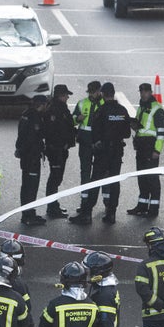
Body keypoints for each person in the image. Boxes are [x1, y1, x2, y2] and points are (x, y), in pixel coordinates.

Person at [70, 82, 132, 225]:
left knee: (95, 181)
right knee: (114, 182)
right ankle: (111, 214)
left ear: (103, 94)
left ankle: (86, 214)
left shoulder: (101, 111)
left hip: (103, 152)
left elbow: (95, 132)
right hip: (117, 152)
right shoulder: (122, 111)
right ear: (114, 93)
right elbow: (127, 133)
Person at [127, 82, 164, 218]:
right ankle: (142, 205)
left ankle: (153, 209)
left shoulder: (157, 109)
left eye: (145, 91)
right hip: (141, 146)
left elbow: (161, 133)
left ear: (150, 92)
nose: (143, 94)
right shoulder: (142, 107)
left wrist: (157, 150)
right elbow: (141, 126)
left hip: (151, 147)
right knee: (142, 178)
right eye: (141, 91)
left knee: (152, 179)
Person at [43, 84, 76, 220]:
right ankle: (52, 207)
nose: (67, 97)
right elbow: (55, 131)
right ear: (60, 96)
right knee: (55, 178)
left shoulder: (59, 108)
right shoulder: (54, 110)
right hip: (56, 149)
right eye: (65, 95)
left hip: (60, 149)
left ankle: (54, 204)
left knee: (57, 178)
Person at [14, 95, 48, 226]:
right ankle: (28, 215)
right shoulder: (35, 117)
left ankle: (28, 212)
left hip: (26, 156)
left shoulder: (25, 114)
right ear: (42, 104)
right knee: (31, 187)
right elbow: (34, 137)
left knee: (26, 185)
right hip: (32, 157)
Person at [74, 81, 102, 185]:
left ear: (99, 91)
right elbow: (72, 120)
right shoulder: (82, 103)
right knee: (85, 169)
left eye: (94, 92)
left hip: (99, 139)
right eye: (90, 92)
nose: (91, 94)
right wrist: (77, 118)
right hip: (85, 139)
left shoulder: (104, 103)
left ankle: (93, 193)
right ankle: (84, 195)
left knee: (99, 169)